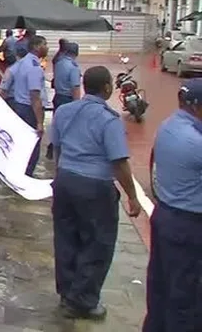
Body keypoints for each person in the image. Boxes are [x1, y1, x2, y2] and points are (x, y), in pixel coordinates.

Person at [50, 66, 141, 320]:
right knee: (98, 243)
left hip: (66, 181)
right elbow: (119, 162)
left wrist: (60, 176)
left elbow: (57, 147)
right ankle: (83, 300)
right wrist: (132, 196)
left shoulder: (65, 112)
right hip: (95, 186)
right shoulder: (108, 120)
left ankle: (68, 291)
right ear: (107, 88)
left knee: (66, 238)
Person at [143, 79, 202, 332]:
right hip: (188, 224)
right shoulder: (195, 142)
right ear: (197, 107)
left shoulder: (167, 126)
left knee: (161, 285)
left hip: (165, 214)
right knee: (186, 295)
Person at [11, 35, 49, 176]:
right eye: (45, 44)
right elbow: (35, 96)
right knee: (32, 146)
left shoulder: (21, 63)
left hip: (19, 106)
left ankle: (18, 172)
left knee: (21, 144)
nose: (47, 48)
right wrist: (39, 122)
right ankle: (26, 175)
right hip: (29, 110)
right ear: (37, 47)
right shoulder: (34, 67)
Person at [46, 42, 81, 160]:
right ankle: (65, 154)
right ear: (76, 53)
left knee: (58, 125)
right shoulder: (73, 67)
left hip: (57, 97)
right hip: (68, 100)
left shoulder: (59, 63)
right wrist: (77, 106)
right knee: (69, 128)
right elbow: (75, 87)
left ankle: (54, 146)